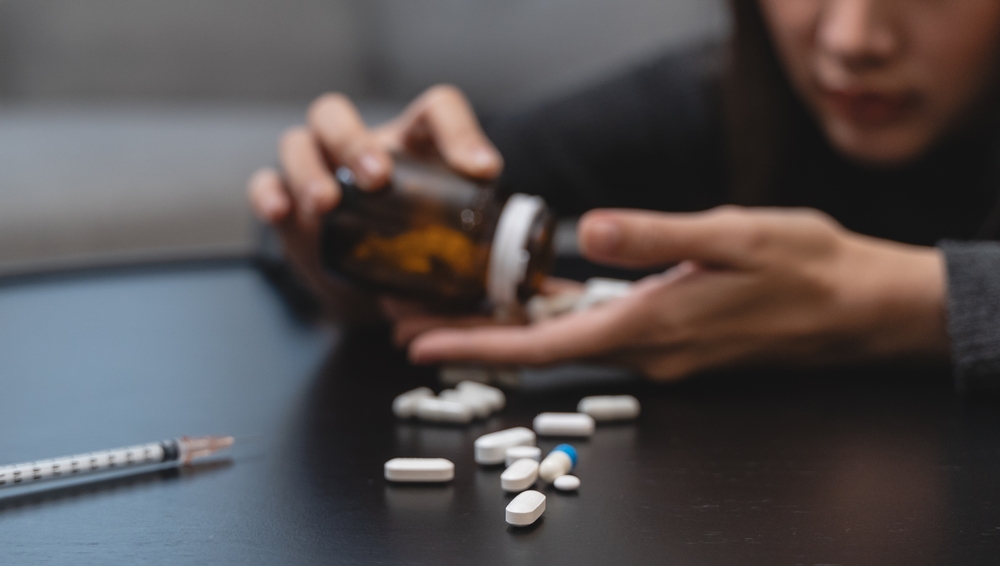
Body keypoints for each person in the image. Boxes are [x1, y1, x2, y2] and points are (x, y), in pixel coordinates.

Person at [248, 0, 1000, 392]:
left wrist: (901, 305)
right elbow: (287, 227)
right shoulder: (719, 97)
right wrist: (349, 241)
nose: (852, 38)